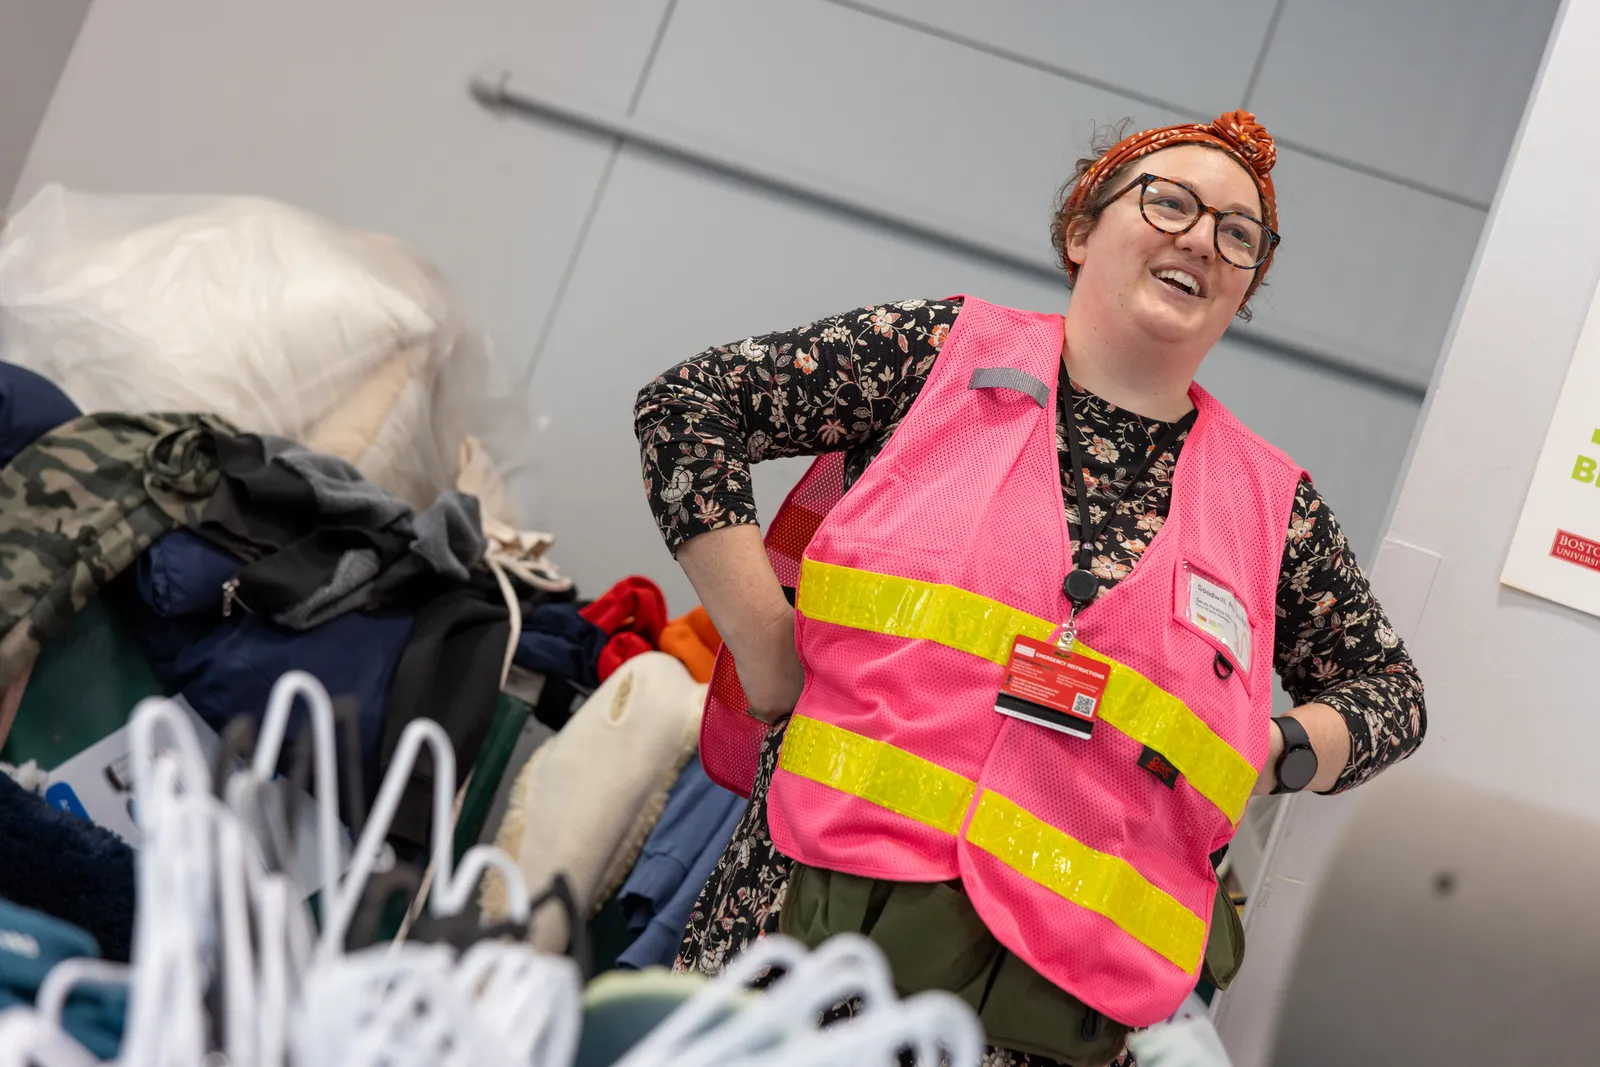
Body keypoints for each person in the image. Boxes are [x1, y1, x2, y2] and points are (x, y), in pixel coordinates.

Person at [633, 111, 1426, 1067]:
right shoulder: (940, 357)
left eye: (1237, 233)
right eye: (1169, 201)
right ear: (1081, 230)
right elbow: (687, 410)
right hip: (798, 948)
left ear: (1245, 287)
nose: (1201, 240)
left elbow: (1392, 693)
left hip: (1038, 1021)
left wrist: (1269, 748)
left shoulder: (1271, 506)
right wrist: (765, 648)